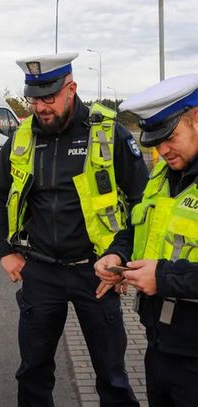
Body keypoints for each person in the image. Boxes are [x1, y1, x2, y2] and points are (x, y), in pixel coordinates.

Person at [0, 52, 148, 406]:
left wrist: (121, 254)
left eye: (49, 97)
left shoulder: (107, 134)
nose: (40, 107)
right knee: (33, 371)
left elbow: (142, 201)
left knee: (113, 377)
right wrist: (6, 252)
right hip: (40, 272)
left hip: (96, 274)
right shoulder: (22, 137)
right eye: (34, 98)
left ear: (71, 89)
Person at [94, 73, 198, 407]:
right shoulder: (163, 175)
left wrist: (164, 277)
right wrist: (117, 254)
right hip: (160, 345)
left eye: (170, 137)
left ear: (196, 118)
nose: (162, 150)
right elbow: (139, 227)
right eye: (154, 142)